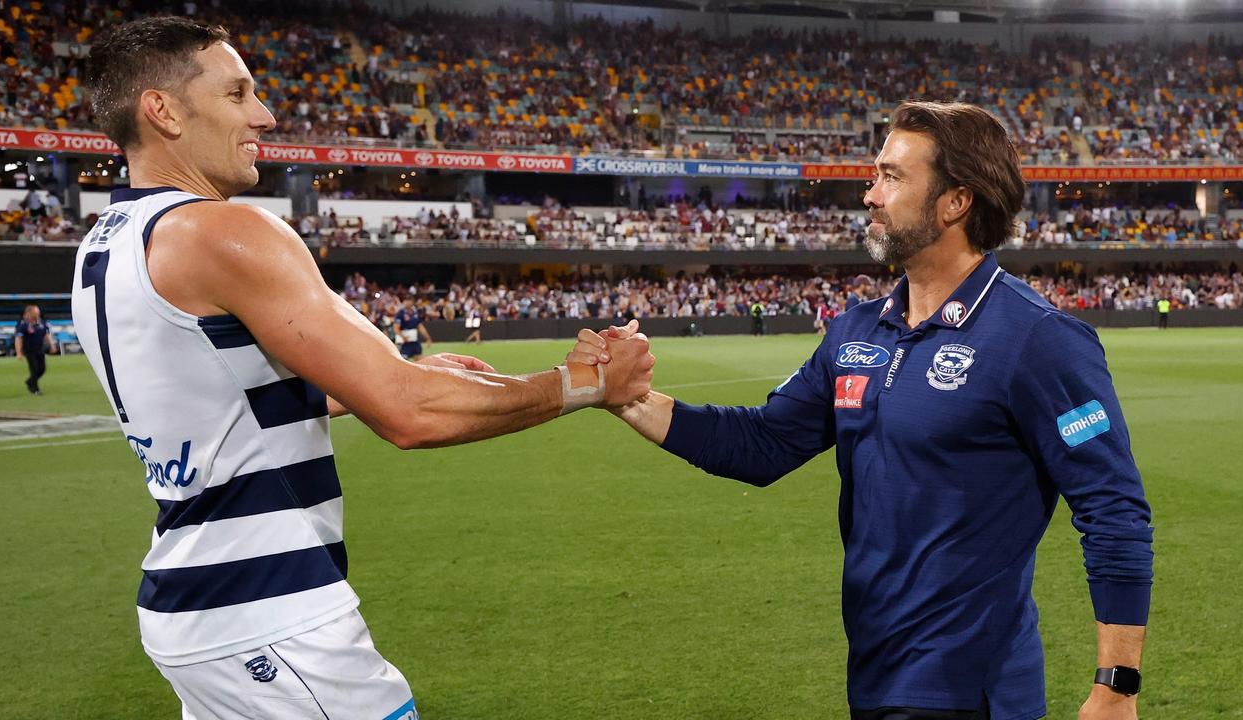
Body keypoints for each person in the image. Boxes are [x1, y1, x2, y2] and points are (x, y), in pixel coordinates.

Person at [74, 17, 654, 720]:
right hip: (269, 614)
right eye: (237, 94)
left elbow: (232, 404)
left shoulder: (107, 243)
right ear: (162, 111)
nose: (264, 113)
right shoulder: (223, 232)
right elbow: (408, 412)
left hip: (193, 607)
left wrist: (397, 375)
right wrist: (587, 384)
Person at [572, 101, 1152, 720]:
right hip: (875, 676)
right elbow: (762, 445)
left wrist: (1115, 686)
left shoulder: (1037, 338)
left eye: (893, 177)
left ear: (957, 202)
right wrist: (625, 395)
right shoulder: (854, 333)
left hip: (971, 689)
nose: (870, 194)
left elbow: (1112, 508)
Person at [15, 304, 56, 394]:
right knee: (34, 369)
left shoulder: (42, 322)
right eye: (36, 312)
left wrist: (52, 345)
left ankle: (30, 381)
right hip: (29, 350)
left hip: (39, 349)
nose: (38, 314)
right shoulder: (23, 324)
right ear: (30, 313)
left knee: (42, 369)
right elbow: (18, 339)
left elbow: (46, 335)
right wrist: (19, 353)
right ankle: (35, 389)